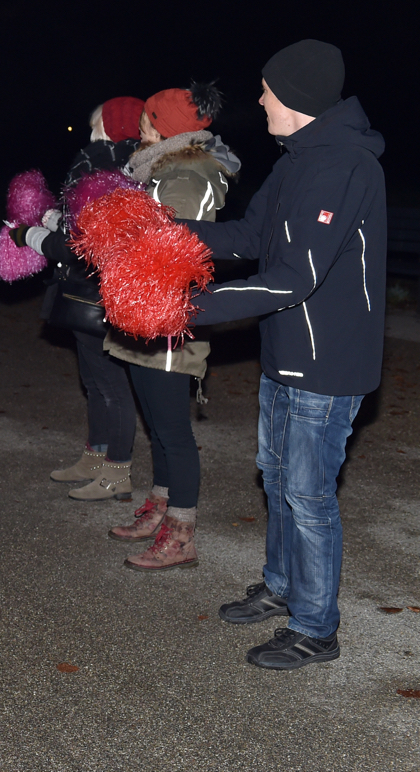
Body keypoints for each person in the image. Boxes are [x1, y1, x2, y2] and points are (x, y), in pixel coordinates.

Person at [185, 41, 385, 669]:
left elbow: (297, 275)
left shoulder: (346, 166)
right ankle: (282, 586)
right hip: (285, 351)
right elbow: (249, 236)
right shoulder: (296, 159)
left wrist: (189, 309)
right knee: (276, 479)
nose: (262, 98)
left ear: (295, 99)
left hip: (328, 366)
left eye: (269, 89)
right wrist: (169, 232)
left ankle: (316, 627)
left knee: (308, 495)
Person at [101, 83, 239, 572]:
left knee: (173, 432)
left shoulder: (188, 175)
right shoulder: (158, 167)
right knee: (157, 427)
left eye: (147, 118)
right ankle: (160, 508)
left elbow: (168, 249)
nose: (139, 126)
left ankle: (181, 533)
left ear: (164, 127)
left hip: (168, 319)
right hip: (144, 313)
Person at [21, 98, 143, 491]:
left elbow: (78, 242)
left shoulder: (95, 161)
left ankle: (116, 471)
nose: (91, 132)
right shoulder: (137, 165)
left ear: (109, 127)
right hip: (108, 284)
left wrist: (33, 236)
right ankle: (96, 457)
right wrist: (57, 218)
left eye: (96, 125)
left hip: (92, 287)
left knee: (109, 383)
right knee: (95, 378)